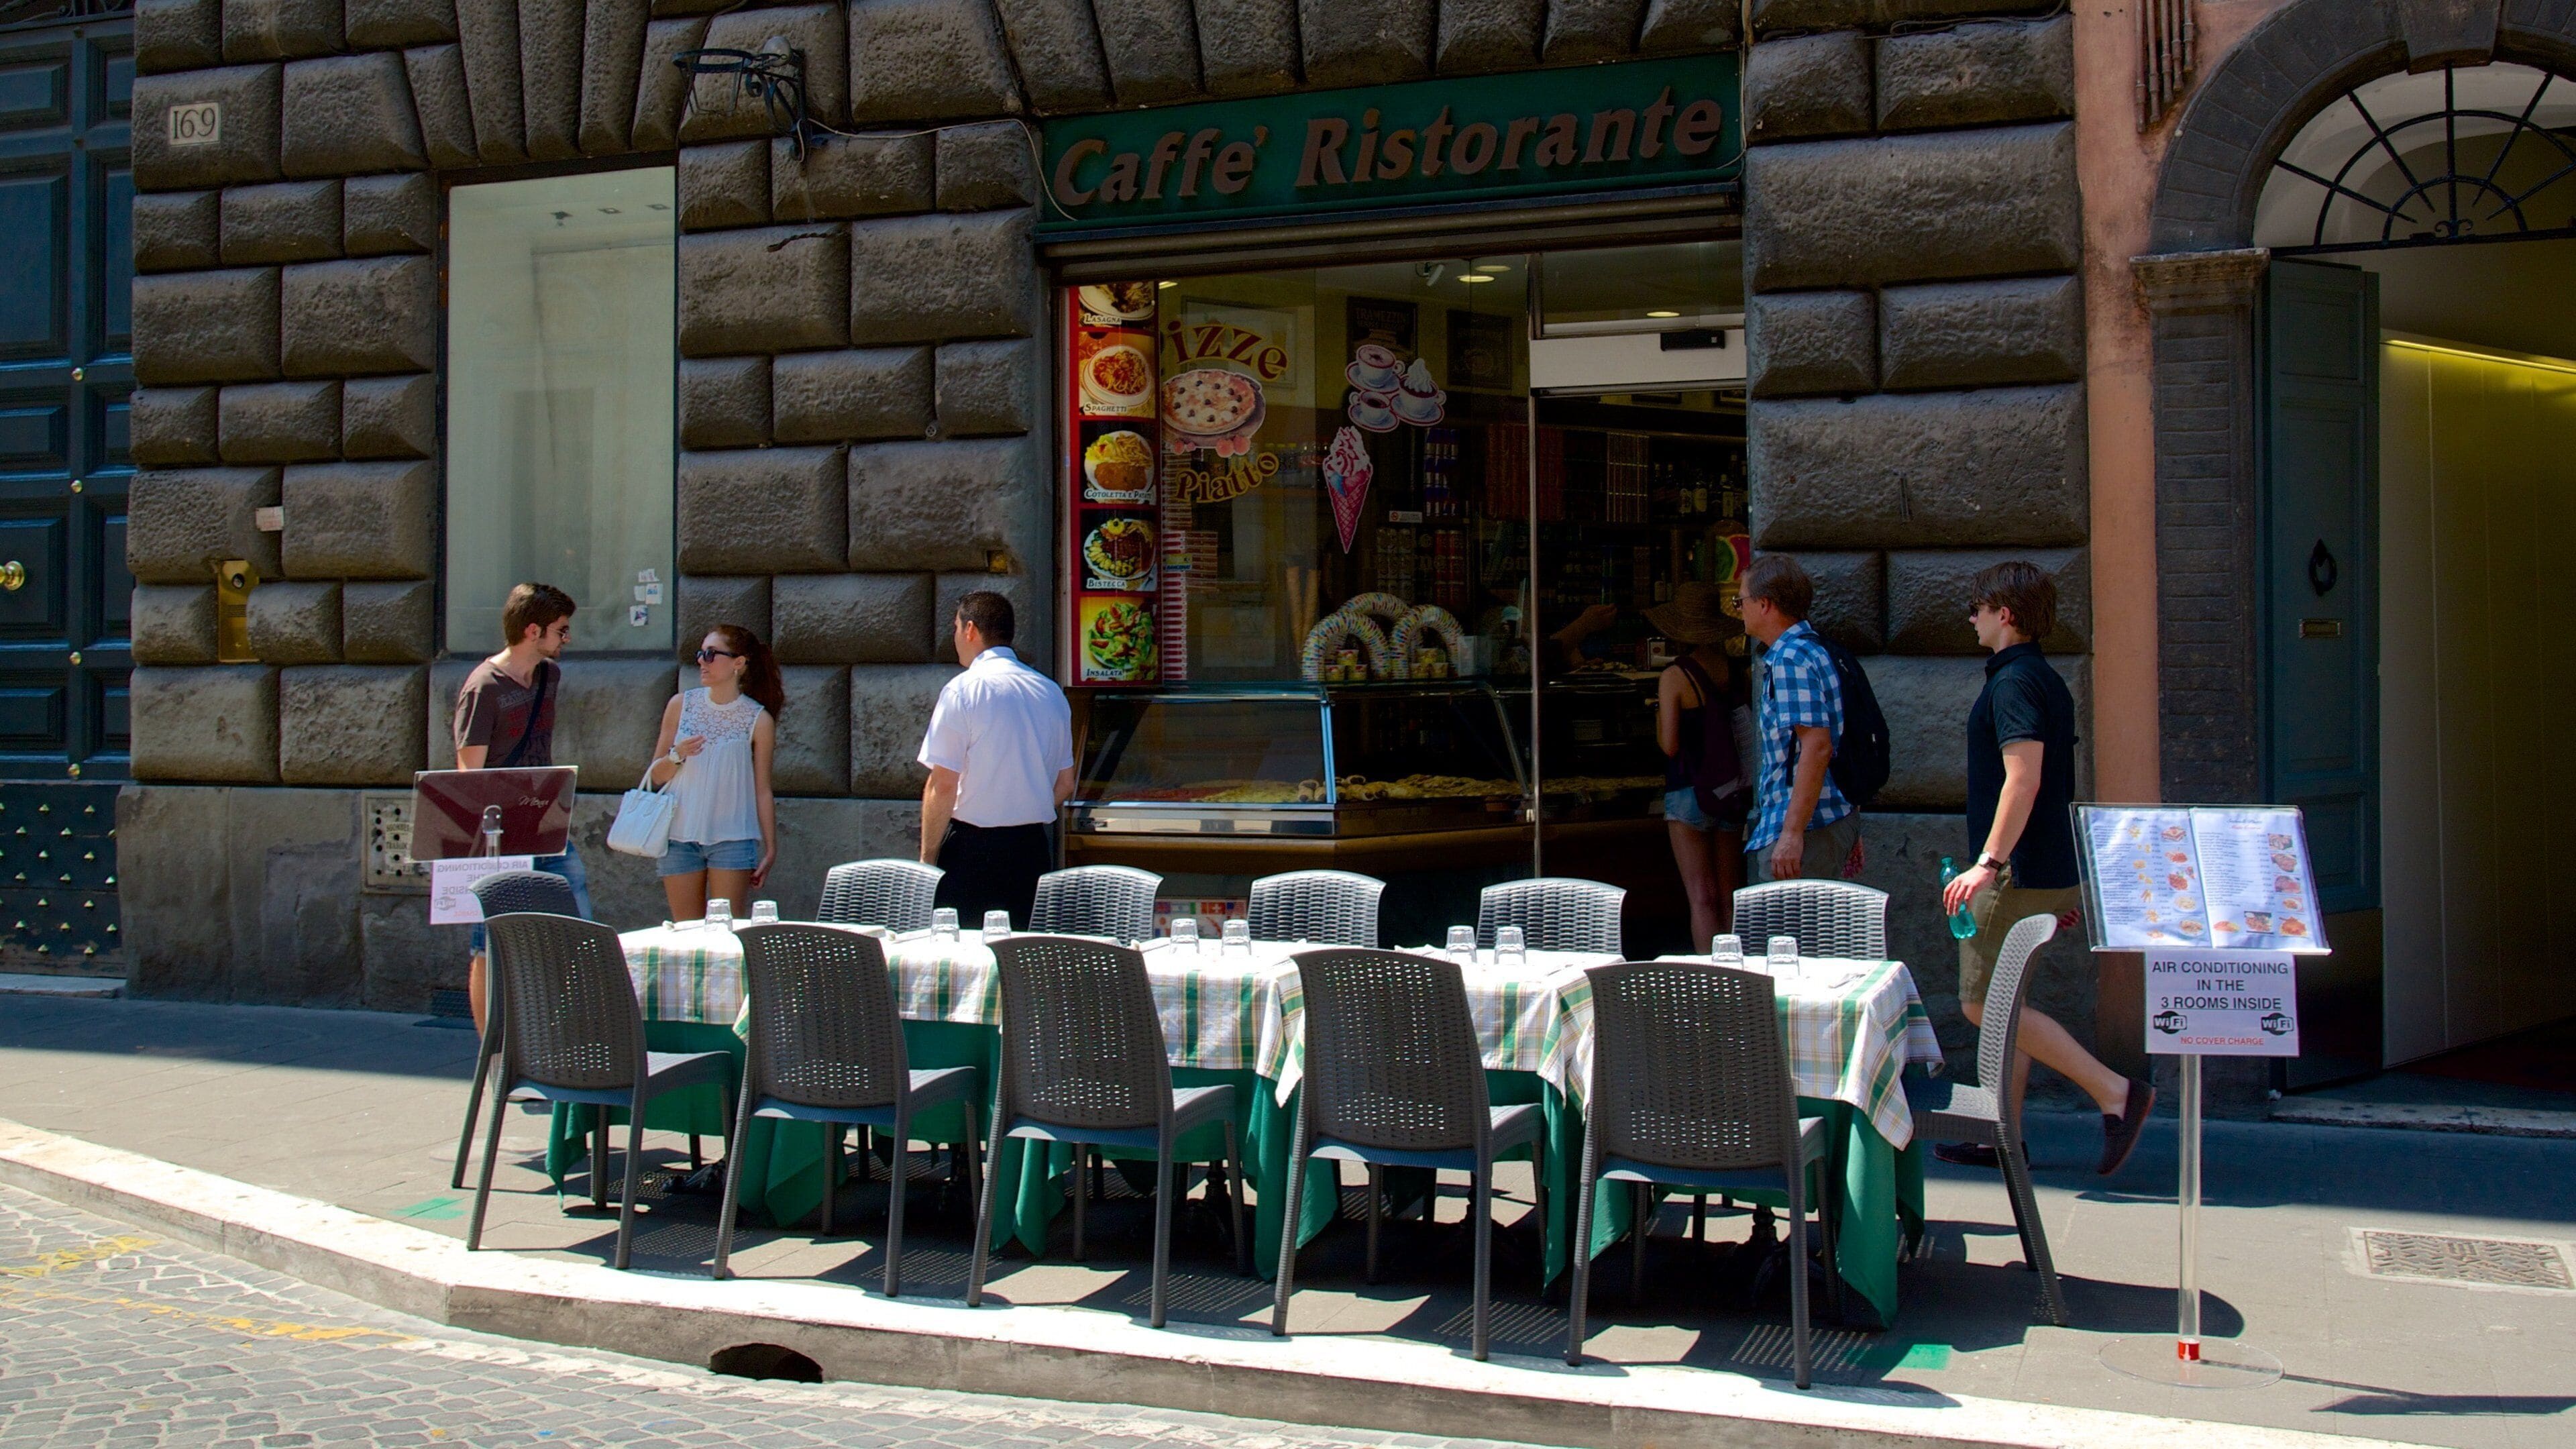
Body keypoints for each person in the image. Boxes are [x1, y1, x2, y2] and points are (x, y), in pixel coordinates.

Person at [1939, 561, 2156, 1176]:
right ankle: (1999, 1136)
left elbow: (2024, 778)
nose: (1971, 617)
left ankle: (2115, 1092)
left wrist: (1988, 862)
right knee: (2009, 999)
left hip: (2017, 871)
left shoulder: (2013, 684)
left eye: (1978, 606)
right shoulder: (2042, 678)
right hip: (2045, 865)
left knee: (1985, 1004)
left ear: (2005, 614)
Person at [453, 582, 591, 1033]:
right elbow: (468, 772)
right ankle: (492, 1053)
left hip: (544, 812)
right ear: (533, 630)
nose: (566, 639)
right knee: (489, 938)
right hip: (498, 826)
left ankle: (564, 1031)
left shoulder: (550, 677)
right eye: (561, 630)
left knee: (576, 910)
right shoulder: (483, 687)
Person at [917, 591, 1075, 928]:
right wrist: (1023, 805)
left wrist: (928, 859)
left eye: (956, 627)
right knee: (1022, 961)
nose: (955, 636)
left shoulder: (963, 690)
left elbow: (942, 785)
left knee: (962, 959)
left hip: (972, 851)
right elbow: (1065, 783)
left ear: (970, 629)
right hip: (1031, 850)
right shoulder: (1050, 692)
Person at [1737, 555, 1861, 884]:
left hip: (1806, 827)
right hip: (1826, 819)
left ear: (1765, 604)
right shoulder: (1816, 649)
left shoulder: (1790, 658)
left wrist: (1791, 834)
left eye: (1741, 601)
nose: (1740, 610)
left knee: (1787, 933)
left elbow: (1818, 746)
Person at [647, 625, 782, 922]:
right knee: (686, 934)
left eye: (710, 654)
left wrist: (771, 849)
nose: (701, 661)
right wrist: (677, 754)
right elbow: (655, 776)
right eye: (700, 654)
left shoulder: (759, 720)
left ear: (739, 663)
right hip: (678, 837)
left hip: (733, 839)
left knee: (727, 934)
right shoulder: (680, 705)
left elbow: (763, 789)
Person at [1647, 582, 1750, 951]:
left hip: (1687, 791)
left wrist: (1657, 717)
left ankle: (1712, 985)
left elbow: (1670, 744)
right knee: (1728, 895)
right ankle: (1736, 973)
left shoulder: (1675, 676)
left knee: (1701, 898)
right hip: (1730, 789)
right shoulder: (1736, 671)